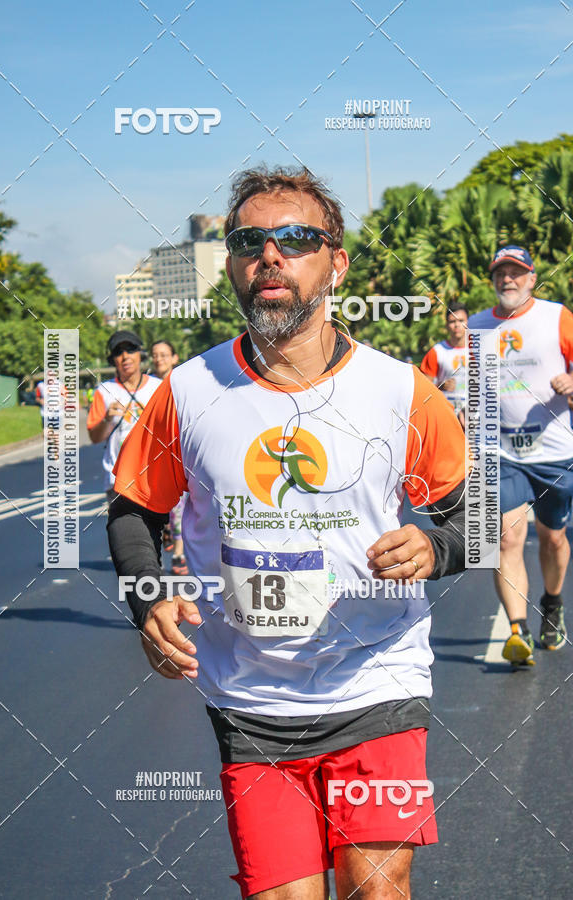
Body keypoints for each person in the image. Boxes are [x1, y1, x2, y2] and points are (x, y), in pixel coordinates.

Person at [108, 166, 467, 898]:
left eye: (296, 238)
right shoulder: (189, 393)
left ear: (335, 262)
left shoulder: (401, 391)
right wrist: (146, 602)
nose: (271, 254)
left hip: (377, 680)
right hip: (252, 700)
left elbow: (473, 517)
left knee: (378, 885)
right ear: (234, 267)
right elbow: (134, 511)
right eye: (250, 240)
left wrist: (437, 546)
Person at [468, 246, 573, 665]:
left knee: (552, 539)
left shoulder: (557, 317)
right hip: (501, 450)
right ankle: (518, 631)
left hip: (555, 450)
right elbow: (475, 394)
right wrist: (471, 449)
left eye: (516, 273)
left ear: (531, 278)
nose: (507, 280)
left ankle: (551, 603)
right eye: (500, 273)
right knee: (505, 536)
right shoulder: (478, 326)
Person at [86, 331, 160, 504]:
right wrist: (106, 419)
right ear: (113, 361)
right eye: (118, 352)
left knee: (162, 531)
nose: (125, 356)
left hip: (156, 478)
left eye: (130, 349)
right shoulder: (104, 391)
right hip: (119, 482)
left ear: (140, 354)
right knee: (124, 531)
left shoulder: (159, 388)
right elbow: (95, 437)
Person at [149, 339, 188, 575]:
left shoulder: (183, 383)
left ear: (174, 357)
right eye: (155, 355)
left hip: (179, 455)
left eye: (164, 354)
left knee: (180, 509)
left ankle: (178, 554)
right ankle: (166, 529)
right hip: (155, 458)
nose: (159, 359)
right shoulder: (147, 386)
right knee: (163, 508)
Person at [420, 302, 468, 428]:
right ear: (446, 325)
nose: (457, 325)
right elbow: (423, 390)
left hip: (476, 418)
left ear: (468, 322)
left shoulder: (480, 349)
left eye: (461, 320)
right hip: (446, 418)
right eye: (452, 322)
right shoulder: (437, 351)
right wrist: (440, 386)